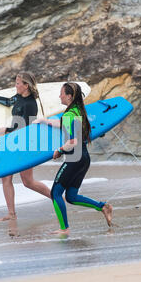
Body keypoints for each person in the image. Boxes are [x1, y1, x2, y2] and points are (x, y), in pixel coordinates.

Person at [34, 82, 113, 235]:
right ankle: (103, 207)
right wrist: (46, 121)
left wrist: (59, 150)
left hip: (74, 158)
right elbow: (65, 124)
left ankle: (64, 228)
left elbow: (73, 141)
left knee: (55, 193)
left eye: (62, 93)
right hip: (84, 158)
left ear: (69, 96)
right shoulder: (77, 111)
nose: (59, 96)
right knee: (71, 196)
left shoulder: (70, 114)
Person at [0, 72, 51, 221]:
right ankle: (11, 214)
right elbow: (8, 102)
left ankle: (57, 199)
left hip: (25, 143)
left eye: (18, 83)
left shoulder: (31, 104)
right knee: (5, 178)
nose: (15, 85)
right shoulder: (18, 97)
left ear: (26, 85)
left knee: (28, 182)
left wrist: (6, 130)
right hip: (11, 141)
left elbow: (27, 127)